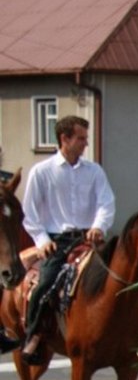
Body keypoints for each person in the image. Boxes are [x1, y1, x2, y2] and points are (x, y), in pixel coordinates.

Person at [21, 115, 115, 365]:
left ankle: (122, 332)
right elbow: (30, 214)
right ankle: (34, 334)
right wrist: (42, 241)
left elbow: (106, 203)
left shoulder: (94, 171)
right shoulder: (42, 172)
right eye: (81, 138)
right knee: (45, 284)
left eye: (85, 138)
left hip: (88, 238)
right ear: (65, 138)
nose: (86, 143)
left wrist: (98, 226)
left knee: (116, 276)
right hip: (57, 241)